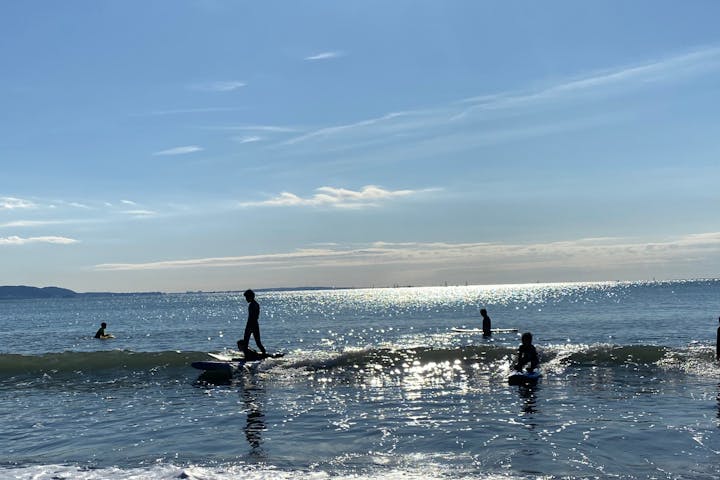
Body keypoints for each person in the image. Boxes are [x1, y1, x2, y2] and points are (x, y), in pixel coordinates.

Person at [239, 289, 267, 356]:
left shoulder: (252, 305)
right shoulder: (256, 304)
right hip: (255, 325)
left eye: (246, 297)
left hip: (251, 325)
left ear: (250, 297)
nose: (246, 299)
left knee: (246, 343)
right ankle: (264, 353)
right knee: (258, 342)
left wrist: (248, 327)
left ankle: (247, 356)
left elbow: (251, 317)